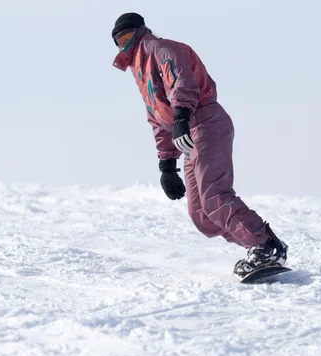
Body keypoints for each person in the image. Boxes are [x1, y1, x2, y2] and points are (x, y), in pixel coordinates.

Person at [111, 13, 288, 279]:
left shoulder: (160, 48)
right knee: (202, 216)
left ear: (139, 31)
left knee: (214, 195)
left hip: (204, 119)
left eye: (126, 37)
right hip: (186, 131)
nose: (124, 45)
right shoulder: (139, 69)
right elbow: (157, 117)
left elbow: (181, 81)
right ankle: (260, 248)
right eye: (118, 42)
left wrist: (182, 115)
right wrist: (167, 165)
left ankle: (263, 245)